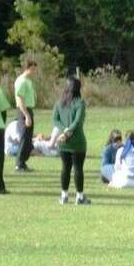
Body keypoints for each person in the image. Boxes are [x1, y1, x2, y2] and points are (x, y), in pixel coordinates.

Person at [53, 76, 90, 205]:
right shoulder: (79, 102)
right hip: (77, 141)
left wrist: (64, 131)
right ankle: (79, 197)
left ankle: (64, 196)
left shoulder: (59, 103)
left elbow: (55, 120)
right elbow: (78, 121)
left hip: (63, 142)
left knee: (65, 168)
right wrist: (69, 131)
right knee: (78, 169)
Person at [13, 61, 37, 172]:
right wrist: (26, 115)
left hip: (29, 110)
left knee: (28, 137)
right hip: (24, 111)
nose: (34, 72)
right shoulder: (21, 81)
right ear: (27, 68)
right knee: (24, 137)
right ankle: (19, 163)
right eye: (33, 69)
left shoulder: (28, 81)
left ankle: (23, 162)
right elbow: (20, 99)